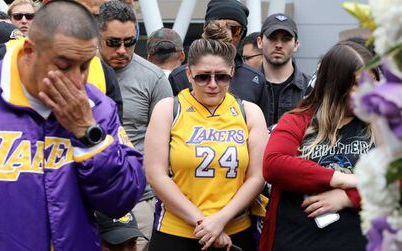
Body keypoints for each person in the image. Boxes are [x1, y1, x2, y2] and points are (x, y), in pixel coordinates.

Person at [0, 1, 146, 250]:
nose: (76, 80)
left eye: (84, 66)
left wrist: (89, 135)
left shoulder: (97, 106)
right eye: (63, 66)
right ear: (29, 51)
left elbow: (122, 200)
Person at [145, 38, 268, 251]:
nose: (212, 84)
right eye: (203, 77)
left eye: (221, 77)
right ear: (189, 74)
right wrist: (204, 223)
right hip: (176, 232)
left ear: (232, 72)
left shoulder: (249, 112)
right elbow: (156, 175)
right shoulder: (168, 109)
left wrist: (220, 220)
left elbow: (257, 176)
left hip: (234, 231)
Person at [260, 41, 378, 251]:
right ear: (336, 84)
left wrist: (349, 197)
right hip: (296, 240)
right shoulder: (297, 120)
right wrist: (343, 179)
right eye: (359, 84)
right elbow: (274, 165)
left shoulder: (381, 125)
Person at [98, 2, 173, 250]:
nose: (122, 50)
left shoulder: (153, 78)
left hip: (139, 198)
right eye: (113, 42)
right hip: (86, 195)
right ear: (97, 35)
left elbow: (168, 143)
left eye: (130, 42)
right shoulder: (79, 71)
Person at [168, 0, 266, 116]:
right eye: (202, 77)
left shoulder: (255, 79)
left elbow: (265, 125)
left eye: (235, 30)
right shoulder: (179, 77)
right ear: (189, 74)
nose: (227, 34)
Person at [257, 13, 311, 127]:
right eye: (272, 37)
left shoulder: (311, 88)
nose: (279, 45)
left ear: (296, 45)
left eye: (286, 39)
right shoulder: (246, 85)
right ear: (260, 42)